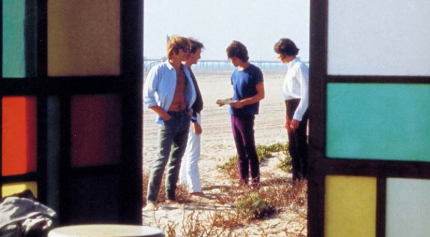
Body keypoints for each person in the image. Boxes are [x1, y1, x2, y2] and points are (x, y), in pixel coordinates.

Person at [143, 35, 196, 211]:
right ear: (174, 50)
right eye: (185, 50)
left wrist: (189, 111)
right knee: (161, 159)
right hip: (168, 118)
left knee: (177, 159)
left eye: (189, 50)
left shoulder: (186, 71)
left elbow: (190, 92)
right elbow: (147, 98)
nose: (189, 53)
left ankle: (170, 196)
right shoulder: (159, 70)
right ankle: (151, 200)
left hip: (183, 117)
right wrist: (164, 115)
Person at [217, 40, 265, 188]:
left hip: (246, 114)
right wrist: (226, 101)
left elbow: (260, 95)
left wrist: (242, 103)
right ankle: (242, 181)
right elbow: (236, 96)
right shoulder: (235, 73)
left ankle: (255, 182)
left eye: (233, 59)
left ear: (239, 56)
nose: (231, 62)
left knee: (249, 148)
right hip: (234, 113)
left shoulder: (254, 71)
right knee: (240, 150)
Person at [274, 38, 309, 182]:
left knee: (299, 146)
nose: (277, 57)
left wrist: (298, 115)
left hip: (298, 108)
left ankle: (304, 179)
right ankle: (296, 179)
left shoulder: (300, 67)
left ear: (284, 52)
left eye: (278, 53)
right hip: (290, 108)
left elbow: (306, 93)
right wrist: (288, 116)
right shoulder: (291, 67)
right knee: (292, 147)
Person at [179, 38, 205, 196]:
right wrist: (194, 120)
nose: (199, 57)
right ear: (190, 53)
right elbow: (186, 100)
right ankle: (194, 188)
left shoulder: (184, 71)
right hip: (191, 116)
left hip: (190, 116)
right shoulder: (184, 72)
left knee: (185, 152)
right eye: (198, 53)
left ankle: (183, 184)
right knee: (193, 153)